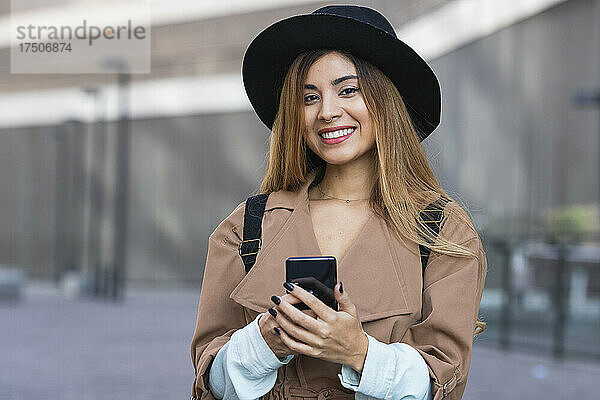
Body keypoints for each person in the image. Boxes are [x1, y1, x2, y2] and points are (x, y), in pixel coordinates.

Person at [191, 5, 487, 400]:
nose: (327, 112)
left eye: (348, 90)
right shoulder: (248, 226)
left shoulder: (441, 230)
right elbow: (208, 381)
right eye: (308, 97)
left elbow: (444, 384)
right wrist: (262, 345)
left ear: (386, 101)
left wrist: (360, 353)